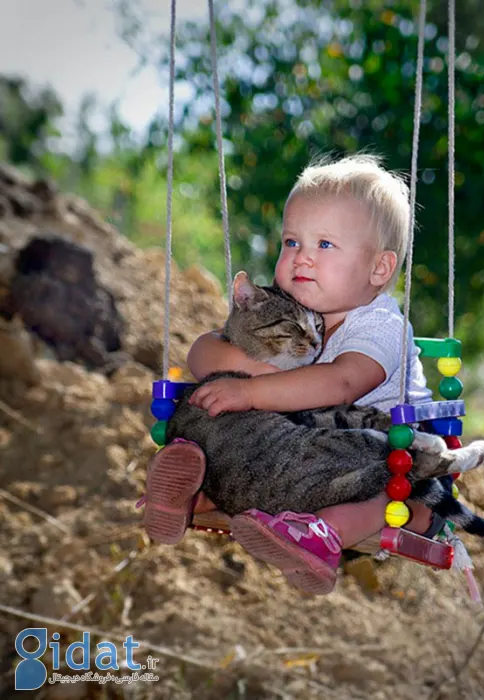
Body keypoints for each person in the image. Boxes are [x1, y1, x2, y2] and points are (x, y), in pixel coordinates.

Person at [144, 154, 445, 594]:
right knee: (227, 426)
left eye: (324, 245)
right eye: (291, 242)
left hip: (395, 459)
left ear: (379, 268)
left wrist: (252, 391)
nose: (302, 258)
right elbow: (205, 350)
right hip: (306, 457)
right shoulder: (292, 306)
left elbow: (342, 383)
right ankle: (190, 493)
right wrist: (248, 370)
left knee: (381, 489)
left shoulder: (381, 325)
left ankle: (318, 539)